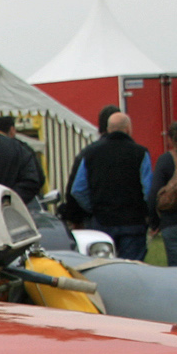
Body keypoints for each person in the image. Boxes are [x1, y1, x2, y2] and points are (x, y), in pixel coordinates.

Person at [70, 111, 152, 260]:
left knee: (103, 267)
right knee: (132, 268)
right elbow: (148, 190)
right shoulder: (140, 153)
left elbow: (78, 190)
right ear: (128, 129)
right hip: (133, 222)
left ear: (108, 129)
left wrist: (94, 207)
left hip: (102, 221)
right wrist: (146, 213)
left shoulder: (90, 153)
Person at [148, 120, 177, 266]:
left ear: (170, 139)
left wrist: (154, 222)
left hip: (172, 223)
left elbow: (154, 193)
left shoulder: (166, 160)